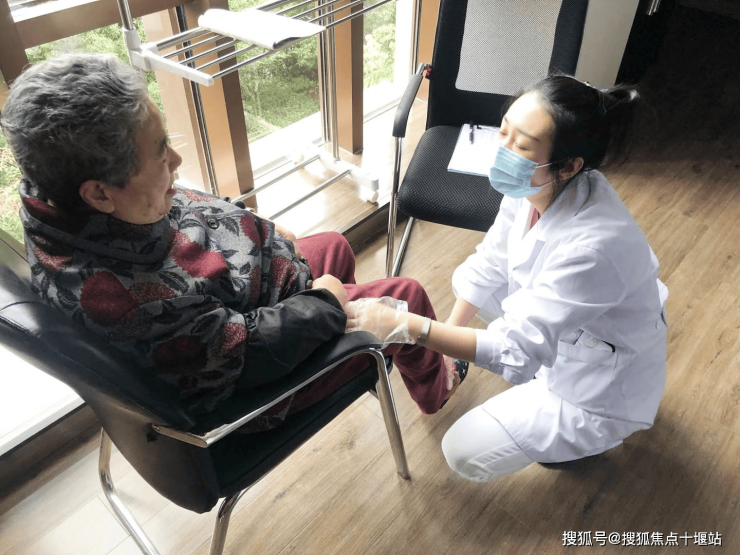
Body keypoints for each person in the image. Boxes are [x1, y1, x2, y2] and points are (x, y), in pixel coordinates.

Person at [0, 53, 459, 431]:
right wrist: (327, 305)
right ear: (99, 193)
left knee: (334, 246)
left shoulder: (71, 201)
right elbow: (246, 355)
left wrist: (261, 227)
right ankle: (434, 387)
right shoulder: (125, 301)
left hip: (242, 301)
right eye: (160, 154)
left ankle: (358, 356)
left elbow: (186, 207)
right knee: (406, 298)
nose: (176, 160)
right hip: (255, 383)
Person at [347, 75, 668, 482]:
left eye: (522, 146)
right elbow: (491, 261)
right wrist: (446, 343)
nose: (503, 151)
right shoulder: (538, 186)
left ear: (569, 166)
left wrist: (410, 327)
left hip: (598, 389)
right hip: (572, 328)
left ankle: (592, 439)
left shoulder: (594, 248)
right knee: (468, 281)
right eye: (503, 132)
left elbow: (514, 352)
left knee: (462, 451)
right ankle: (528, 377)